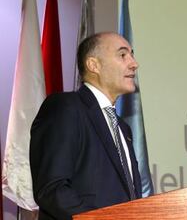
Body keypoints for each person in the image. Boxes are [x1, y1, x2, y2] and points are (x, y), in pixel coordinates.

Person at [30, 32, 146, 220]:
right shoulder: (66, 107)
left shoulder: (123, 128)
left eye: (132, 55)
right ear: (93, 65)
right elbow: (52, 188)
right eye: (123, 55)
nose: (134, 63)